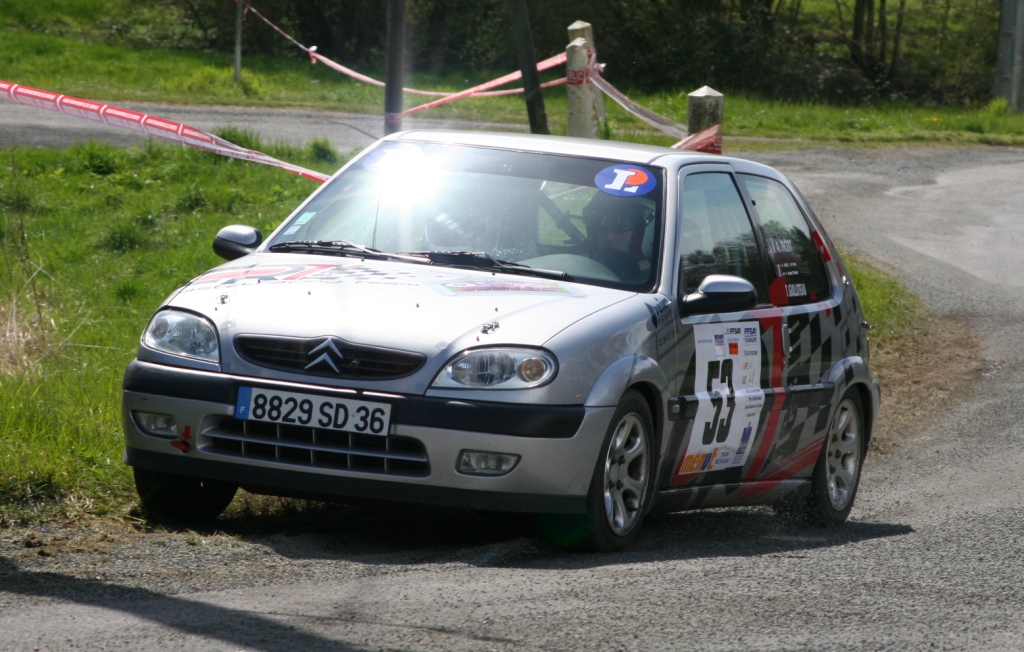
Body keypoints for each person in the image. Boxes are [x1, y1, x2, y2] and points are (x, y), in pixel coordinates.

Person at [583, 192, 652, 283]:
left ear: (641, 233)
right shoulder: (580, 258)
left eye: (621, 229)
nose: (609, 237)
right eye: (603, 229)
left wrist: (638, 254)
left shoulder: (658, 275)